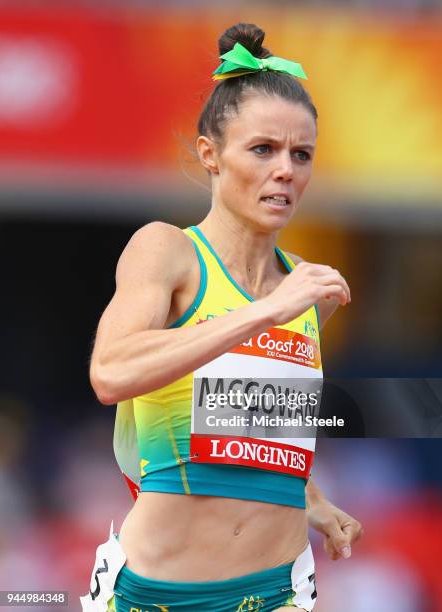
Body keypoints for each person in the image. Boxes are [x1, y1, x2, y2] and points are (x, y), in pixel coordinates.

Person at [82, 23, 363, 612]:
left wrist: (309, 497)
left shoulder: (302, 291)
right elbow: (110, 373)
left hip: (277, 590)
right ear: (210, 154)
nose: (285, 169)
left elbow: (246, 422)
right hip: (153, 593)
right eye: (263, 149)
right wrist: (264, 313)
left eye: (301, 154)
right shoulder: (167, 250)